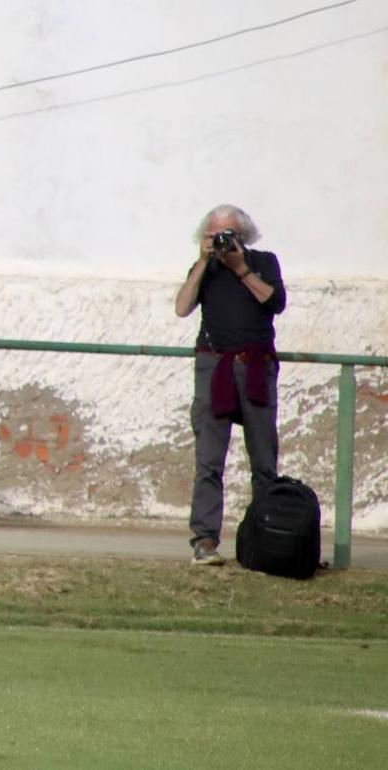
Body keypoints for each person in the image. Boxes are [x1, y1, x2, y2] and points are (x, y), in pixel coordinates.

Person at [174, 204, 286, 566]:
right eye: (213, 236)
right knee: (209, 459)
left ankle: (267, 540)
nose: (220, 242)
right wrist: (204, 261)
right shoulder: (203, 269)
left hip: (254, 366)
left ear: (243, 237)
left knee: (264, 459)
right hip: (214, 366)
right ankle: (204, 541)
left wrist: (240, 269)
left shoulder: (263, 262)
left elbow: (275, 302)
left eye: (226, 236)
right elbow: (181, 307)